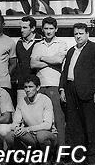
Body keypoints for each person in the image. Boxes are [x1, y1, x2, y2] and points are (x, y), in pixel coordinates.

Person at [59, 22, 95, 164]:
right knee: (74, 126)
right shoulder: (72, 50)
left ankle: (93, 159)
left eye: (81, 33)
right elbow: (65, 71)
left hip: (88, 92)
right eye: (76, 34)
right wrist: (62, 89)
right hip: (71, 90)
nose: (78, 36)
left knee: (91, 127)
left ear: (87, 34)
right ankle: (77, 157)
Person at [30, 16, 68, 146]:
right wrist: (50, 61)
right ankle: (46, 152)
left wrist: (42, 58)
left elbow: (59, 60)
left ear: (56, 29)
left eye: (51, 28)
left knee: (58, 119)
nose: (48, 31)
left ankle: (61, 153)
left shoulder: (61, 44)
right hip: (40, 87)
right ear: (42, 29)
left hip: (54, 85)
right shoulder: (37, 45)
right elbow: (33, 64)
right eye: (46, 28)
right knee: (42, 119)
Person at [0, 75, 56, 153]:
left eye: (30, 87)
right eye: (25, 87)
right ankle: (24, 156)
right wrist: (17, 128)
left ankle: (48, 157)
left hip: (46, 133)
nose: (28, 90)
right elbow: (15, 122)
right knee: (10, 135)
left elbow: (47, 125)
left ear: (38, 88)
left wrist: (28, 129)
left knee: (41, 136)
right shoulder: (22, 101)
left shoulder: (45, 100)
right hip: (31, 134)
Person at [15, 16, 42, 105]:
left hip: (36, 85)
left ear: (33, 28)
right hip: (22, 85)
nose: (22, 30)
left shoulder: (40, 41)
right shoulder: (19, 43)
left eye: (25, 27)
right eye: (21, 28)